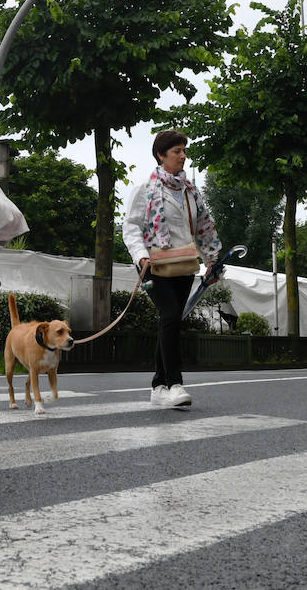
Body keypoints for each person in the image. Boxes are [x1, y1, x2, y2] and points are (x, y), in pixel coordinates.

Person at [122, 129, 221, 409]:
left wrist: (212, 259)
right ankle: (175, 384)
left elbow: (204, 227)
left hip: (185, 264)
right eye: (177, 151)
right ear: (160, 155)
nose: (182, 156)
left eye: (184, 151)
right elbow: (130, 227)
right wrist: (141, 257)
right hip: (153, 267)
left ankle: (158, 386)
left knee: (171, 319)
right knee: (170, 316)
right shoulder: (145, 188)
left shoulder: (191, 192)